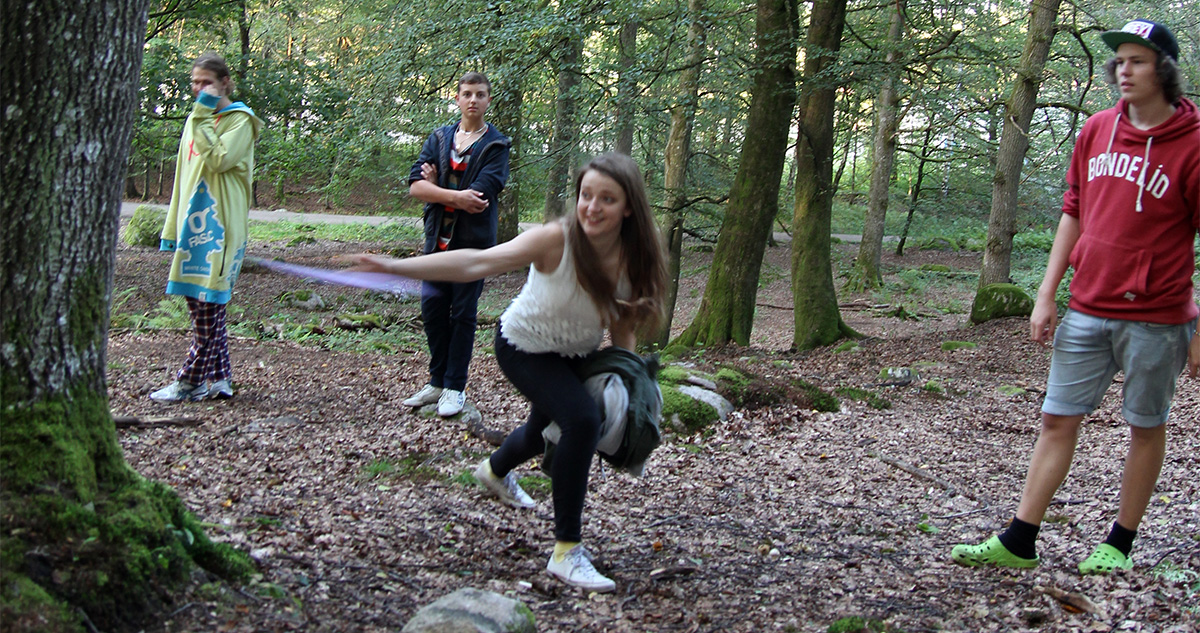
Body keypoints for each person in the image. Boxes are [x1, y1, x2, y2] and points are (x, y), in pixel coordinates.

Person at [350, 153, 667, 592]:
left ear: (629, 207)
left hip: (574, 355)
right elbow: (475, 263)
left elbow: (623, 329)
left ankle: (494, 471)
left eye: (607, 199)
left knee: (540, 433)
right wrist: (395, 266)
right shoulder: (555, 239)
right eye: (586, 195)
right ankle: (566, 552)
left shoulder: (633, 259)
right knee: (580, 420)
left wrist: (628, 386)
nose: (592, 207)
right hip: (523, 345)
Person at [951, 19, 1199, 575]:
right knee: (1057, 419)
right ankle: (1019, 541)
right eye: (1120, 61)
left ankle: (1119, 544)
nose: (1124, 71)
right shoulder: (1097, 129)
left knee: (1145, 426)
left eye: (1137, 61)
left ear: (1163, 70)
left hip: (1158, 317)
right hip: (1088, 306)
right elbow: (1074, 212)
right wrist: (1046, 294)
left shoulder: (1194, 144)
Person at [151, 52, 263, 403]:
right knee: (197, 302)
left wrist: (201, 115)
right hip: (192, 223)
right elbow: (183, 177)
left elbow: (218, 160)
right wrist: (173, 229)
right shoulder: (195, 119)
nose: (200, 89)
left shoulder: (240, 121)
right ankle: (220, 377)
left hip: (221, 226)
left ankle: (190, 381)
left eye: (207, 82)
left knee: (209, 305)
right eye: (195, 83)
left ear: (224, 83)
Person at [402, 72, 511, 417]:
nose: (473, 100)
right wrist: (451, 195)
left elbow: (479, 196)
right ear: (457, 98)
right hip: (437, 242)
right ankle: (436, 382)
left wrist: (437, 190)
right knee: (433, 310)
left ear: (488, 100)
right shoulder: (439, 138)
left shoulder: (496, 146)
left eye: (480, 94)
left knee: (463, 314)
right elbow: (415, 186)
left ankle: (454, 387)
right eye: (467, 94)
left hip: (472, 246)